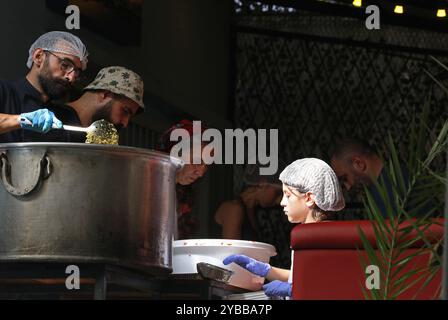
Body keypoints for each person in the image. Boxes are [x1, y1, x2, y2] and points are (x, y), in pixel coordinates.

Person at [223, 158, 345, 298]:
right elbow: (300, 277)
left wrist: (292, 290)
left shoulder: (321, 237)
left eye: (287, 195)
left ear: (309, 198)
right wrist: (266, 270)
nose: (282, 202)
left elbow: (331, 284)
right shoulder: (306, 234)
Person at [0, 31, 88, 142]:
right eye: (65, 65)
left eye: (76, 72)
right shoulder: (4, 91)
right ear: (38, 57)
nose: (71, 77)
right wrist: (20, 120)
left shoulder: (68, 116)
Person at [42, 66, 145, 143]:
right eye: (125, 111)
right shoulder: (49, 121)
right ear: (105, 95)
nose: (125, 123)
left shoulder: (95, 139)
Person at [157, 120, 210, 239]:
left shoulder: (183, 196)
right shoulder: (146, 189)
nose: (201, 173)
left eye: (206, 165)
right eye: (197, 161)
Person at [214, 164, 282, 240]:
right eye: (278, 193)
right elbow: (231, 250)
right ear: (263, 184)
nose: (279, 201)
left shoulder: (252, 211)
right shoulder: (234, 209)